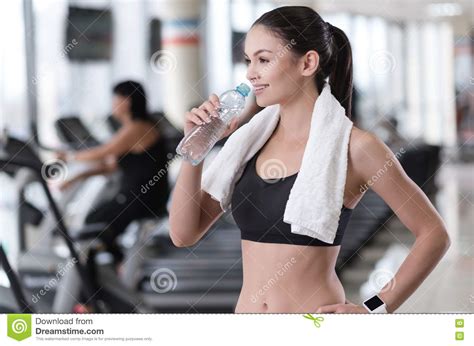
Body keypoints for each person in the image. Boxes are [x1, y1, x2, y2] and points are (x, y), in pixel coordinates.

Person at [169, 6, 451, 313]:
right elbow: (183, 235)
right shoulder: (247, 145)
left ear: (308, 63)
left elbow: (434, 234)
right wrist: (194, 146)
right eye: (249, 61)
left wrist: (375, 309)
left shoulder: (355, 147)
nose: (250, 73)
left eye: (263, 59)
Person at [57, 80, 170, 266]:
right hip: (136, 196)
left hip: (143, 199)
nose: (112, 104)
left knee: (96, 225)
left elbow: (103, 153)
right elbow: (110, 166)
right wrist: (77, 177)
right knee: (94, 220)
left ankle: (111, 270)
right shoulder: (135, 128)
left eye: (115, 98)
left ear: (127, 101)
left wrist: (68, 156)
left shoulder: (138, 128)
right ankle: (115, 267)